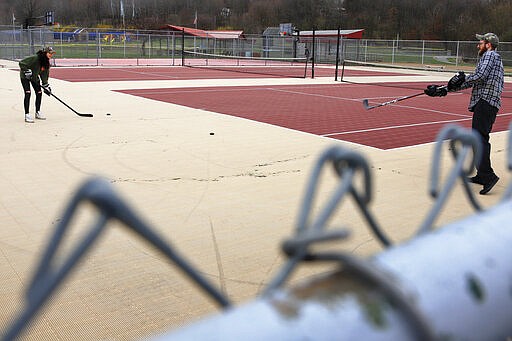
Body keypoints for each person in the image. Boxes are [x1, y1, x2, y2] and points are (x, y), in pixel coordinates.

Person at [425, 33, 504, 195]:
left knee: (479, 139)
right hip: (486, 103)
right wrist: (445, 89)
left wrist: (456, 82)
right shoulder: (491, 58)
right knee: (479, 138)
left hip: (486, 102)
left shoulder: (490, 55)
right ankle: (482, 175)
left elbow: (479, 76)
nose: (478, 46)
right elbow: (475, 80)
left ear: (488, 44)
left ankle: (488, 177)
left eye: (480, 43)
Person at [19, 46, 56, 123]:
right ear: (45, 53)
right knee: (28, 93)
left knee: (39, 93)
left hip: (34, 78)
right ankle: (27, 115)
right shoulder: (35, 58)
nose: (51, 55)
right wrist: (27, 71)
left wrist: (46, 86)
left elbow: (44, 75)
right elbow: (22, 63)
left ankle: (37, 112)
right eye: (49, 53)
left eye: (52, 53)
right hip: (25, 77)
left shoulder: (46, 63)